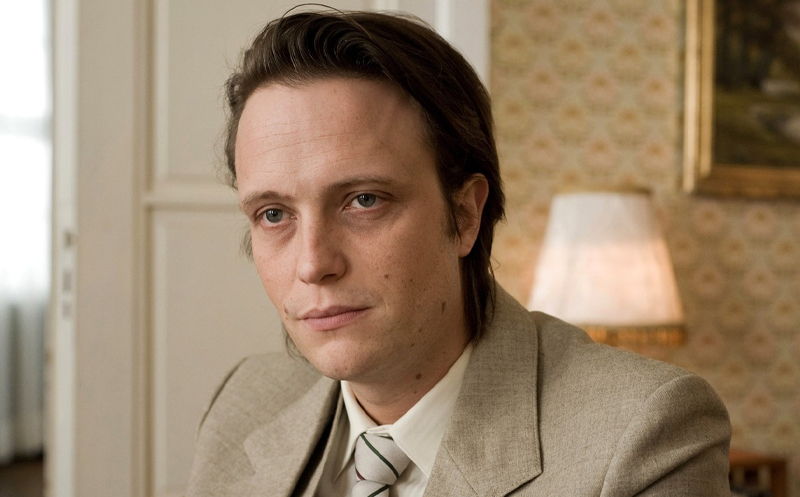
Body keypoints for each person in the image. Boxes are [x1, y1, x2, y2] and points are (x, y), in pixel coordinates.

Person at [187, 9, 731, 497]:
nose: (312, 264)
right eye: (274, 214)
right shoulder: (244, 402)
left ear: (466, 214)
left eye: (364, 200)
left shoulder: (644, 435)